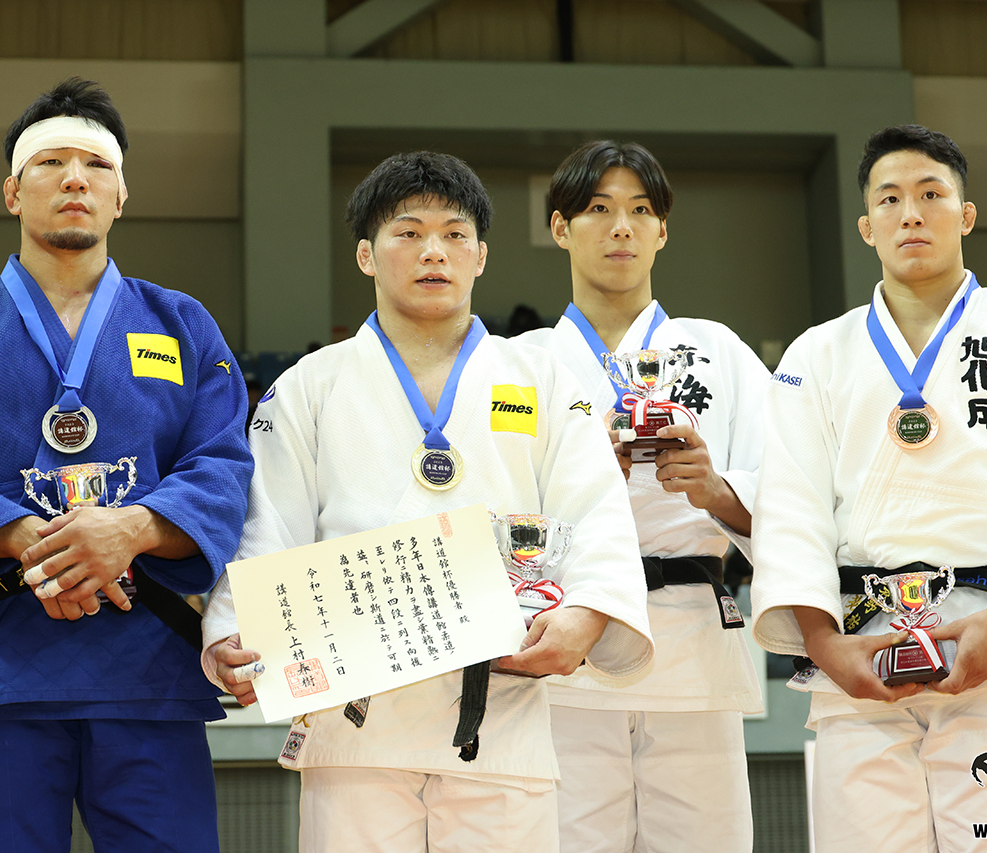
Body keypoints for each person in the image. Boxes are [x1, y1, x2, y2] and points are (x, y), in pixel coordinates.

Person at [202, 151, 653, 853]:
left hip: (501, 712)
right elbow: (269, 523)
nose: (432, 251)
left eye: (453, 234)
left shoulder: (540, 376)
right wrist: (234, 626)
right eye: (407, 233)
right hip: (356, 721)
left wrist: (589, 614)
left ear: (480, 256)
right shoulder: (310, 386)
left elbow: (595, 506)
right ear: (365, 254)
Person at [0, 78, 253, 853]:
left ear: (121, 195)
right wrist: (27, 540)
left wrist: (130, 530)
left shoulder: (181, 324)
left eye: (95, 165)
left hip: (147, 662)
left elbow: (222, 465)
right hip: (6, 655)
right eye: (50, 162)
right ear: (13, 192)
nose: (75, 177)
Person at [750, 124, 987, 852]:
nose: (910, 212)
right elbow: (789, 503)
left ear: (965, 214)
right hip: (861, 659)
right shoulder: (815, 354)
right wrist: (823, 644)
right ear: (866, 225)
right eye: (890, 199)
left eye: (930, 194)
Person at [518, 140, 765, 853]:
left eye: (640, 210)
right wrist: (586, 468)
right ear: (561, 227)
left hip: (693, 645)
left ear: (663, 230)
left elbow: (795, 500)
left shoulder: (720, 354)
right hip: (566, 649)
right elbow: (491, 517)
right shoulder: (521, 364)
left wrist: (718, 492)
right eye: (598, 209)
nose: (620, 227)